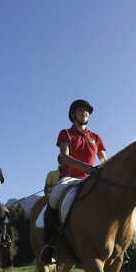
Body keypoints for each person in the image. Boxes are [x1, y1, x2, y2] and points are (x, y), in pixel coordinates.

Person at [39, 99, 107, 263]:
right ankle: (47, 245)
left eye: (87, 111)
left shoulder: (95, 137)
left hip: (91, 179)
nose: (85, 113)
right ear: (72, 114)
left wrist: (105, 171)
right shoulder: (66, 133)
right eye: (81, 110)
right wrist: (86, 166)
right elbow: (65, 157)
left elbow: (104, 159)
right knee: (54, 197)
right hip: (69, 179)